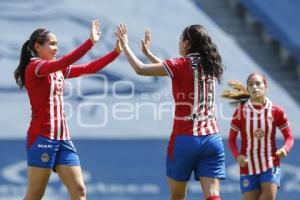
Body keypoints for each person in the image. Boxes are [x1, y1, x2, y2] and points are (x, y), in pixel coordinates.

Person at [14, 20, 122, 200]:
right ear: (37, 47)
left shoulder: (55, 69)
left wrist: (116, 52)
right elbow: (67, 60)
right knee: (35, 194)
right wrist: (90, 43)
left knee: (79, 191)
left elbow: (89, 68)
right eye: (52, 44)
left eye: (57, 44)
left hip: (63, 140)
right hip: (42, 137)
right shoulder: (35, 67)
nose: (56, 48)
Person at [115, 24, 226, 200]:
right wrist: (148, 54)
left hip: (185, 139)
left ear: (187, 43)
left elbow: (140, 69)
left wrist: (125, 46)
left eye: (180, 40)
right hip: (212, 139)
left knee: (177, 196)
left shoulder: (180, 64)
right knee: (212, 195)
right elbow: (169, 70)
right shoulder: (210, 64)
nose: (179, 44)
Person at [222, 73, 294, 200]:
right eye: (251, 85)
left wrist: (285, 149)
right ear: (248, 89)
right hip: (248, 166)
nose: (255, 87)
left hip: (270, 163)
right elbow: (232, 140)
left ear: (266, 87)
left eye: (258, 83)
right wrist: (238, 156)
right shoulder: (240, 112)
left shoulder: (277, 111)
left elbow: (289, 136)